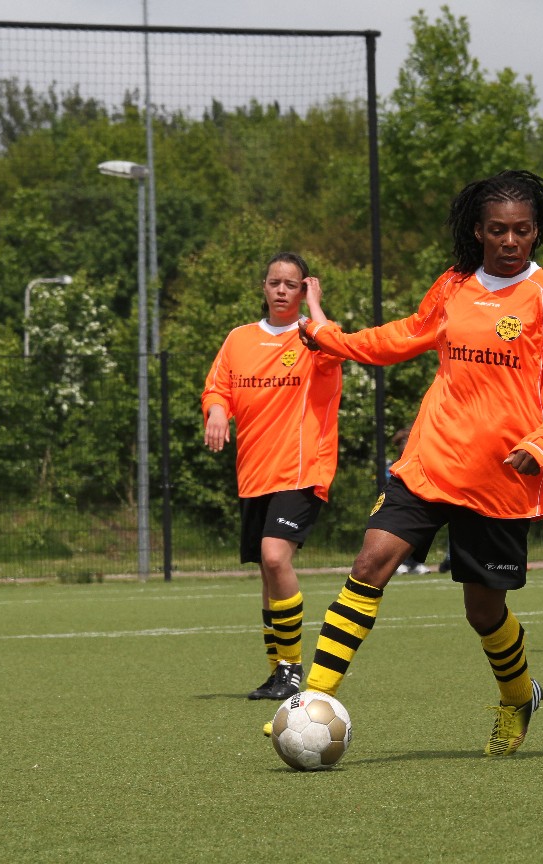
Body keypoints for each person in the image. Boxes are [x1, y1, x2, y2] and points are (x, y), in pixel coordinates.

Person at [298, 170, 543, 756]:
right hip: (431, 459)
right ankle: (311, 703)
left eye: (521, 230)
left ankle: (517, 696)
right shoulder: (455, 285)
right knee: (370, 563)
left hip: (500, 479)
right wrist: (331, 336)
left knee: (483, 611)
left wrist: (541, 445)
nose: (509, 241)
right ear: (478, 231)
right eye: (497, 230)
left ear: (536, 232)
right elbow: (404, 336)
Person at [202, 252, 344, 700]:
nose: (282, 290)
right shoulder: (239, 338)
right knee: (267, 570)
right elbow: (217, 388)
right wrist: (218, 412)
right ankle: (277, 671)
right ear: (263, 288)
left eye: (292, 284)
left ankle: (293, 668)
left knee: (275, 557)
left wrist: (316, 306)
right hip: (254, 472)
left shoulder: (313, 336)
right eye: (274, 283)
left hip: (302, 469)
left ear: (304, 289)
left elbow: (336, 347)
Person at [389, 426, 430, 575]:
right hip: (400, 505)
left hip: (418, 503)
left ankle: (415, 563)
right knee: (398, 533)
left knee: (419, 533)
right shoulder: (396, 467)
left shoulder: (421, 463)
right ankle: (398, 563)